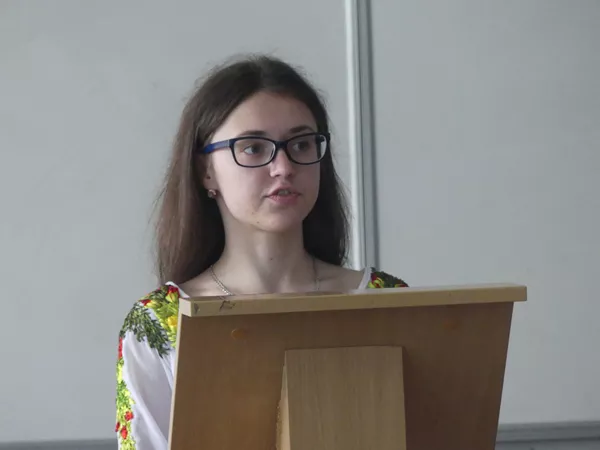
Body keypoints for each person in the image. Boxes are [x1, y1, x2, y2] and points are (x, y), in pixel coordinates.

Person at [115, 54, 408, 449]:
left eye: (301, 144)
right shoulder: (158, 324)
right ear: (205, 170)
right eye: (253, 147)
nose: (284, 167)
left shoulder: (388, 301)